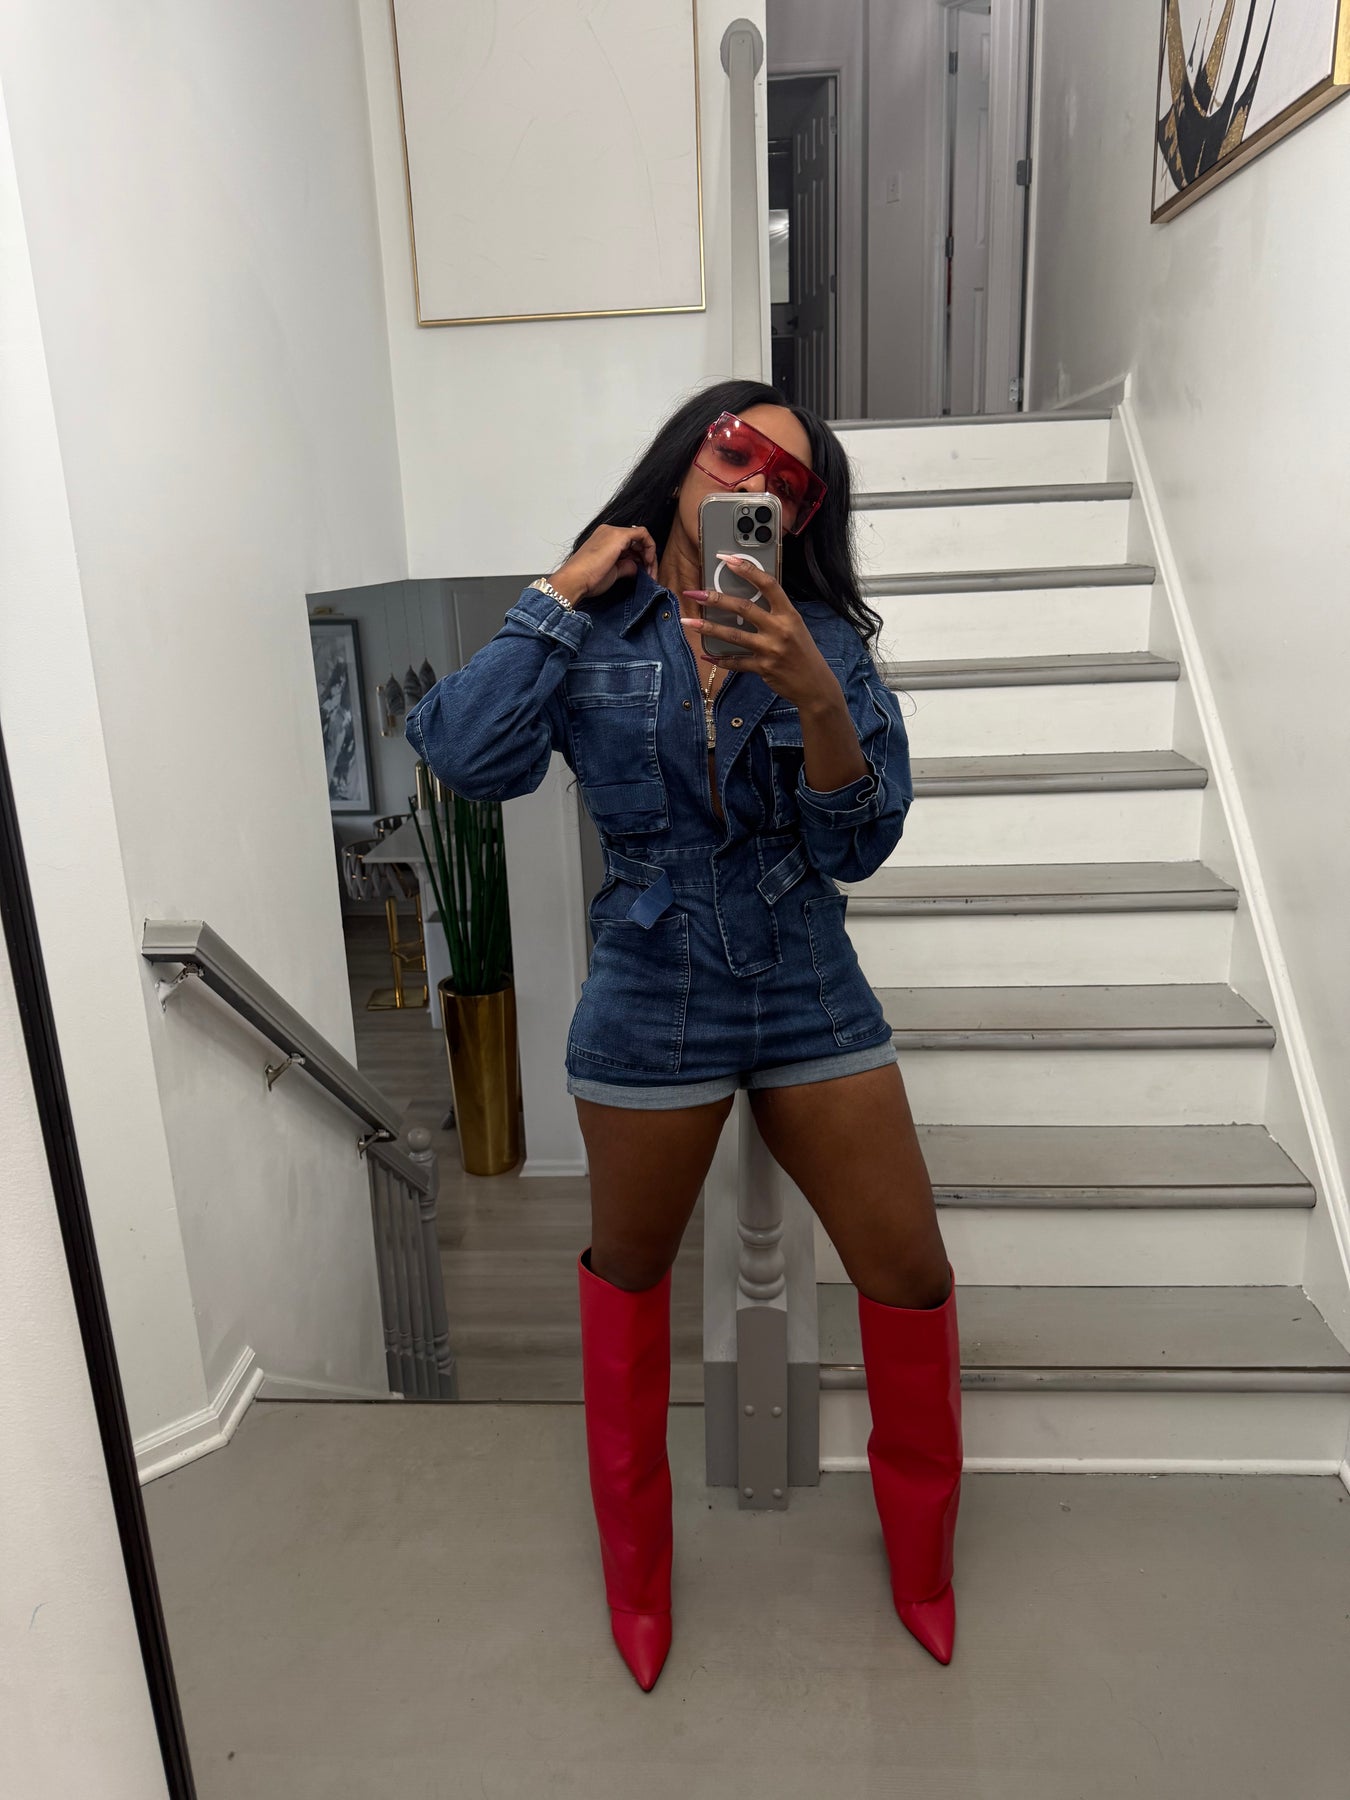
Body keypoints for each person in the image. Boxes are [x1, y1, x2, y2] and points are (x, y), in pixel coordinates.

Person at [406, 379, 963, 1689]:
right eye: (738, 448)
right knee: (630, 1281)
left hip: (804, 971)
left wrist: (816, 696)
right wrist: (557, 592)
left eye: (793, 481)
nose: (760, 480)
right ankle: (638, 1584)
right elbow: (467, 757)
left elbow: (858, 846)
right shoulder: (592, 625)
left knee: (908, 1274)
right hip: (651, 984)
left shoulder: (821, 634)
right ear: (683, 459)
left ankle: (926, 1570)